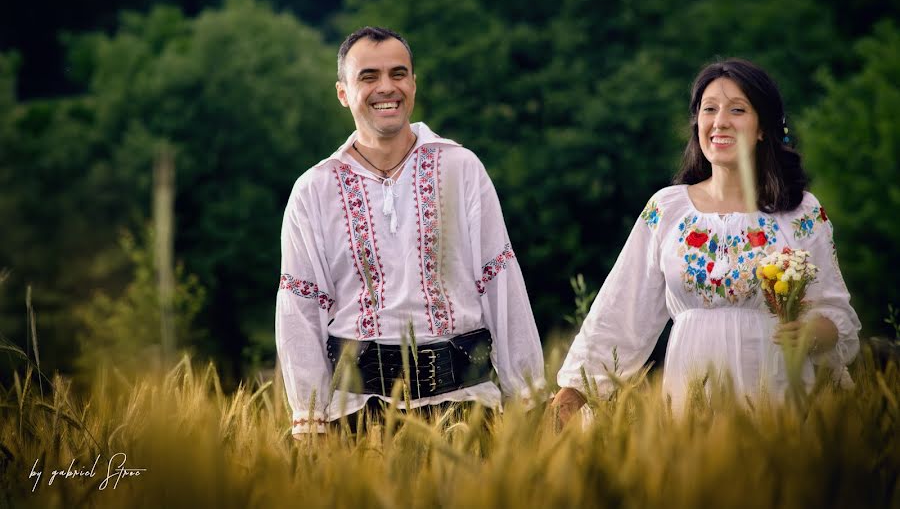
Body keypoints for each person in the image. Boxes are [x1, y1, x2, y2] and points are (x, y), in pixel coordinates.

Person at [552, 58, 861, 425]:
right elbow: (622, 309)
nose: (720, 122)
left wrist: (813, 333)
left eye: (738, 110)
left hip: (782, 401)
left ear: (763, 127)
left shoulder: (799, 213)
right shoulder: (667, 210)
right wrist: (574, 390)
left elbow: (835, 313)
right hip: (691, 401)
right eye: (709, 109)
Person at [276, 26, 545, 436]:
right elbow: (300, 311)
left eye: (398, 74)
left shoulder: (461, 167)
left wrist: (526, 399)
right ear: (343, 93)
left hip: (467, 406)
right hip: (357, 416)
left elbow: (500, 282)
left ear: (413, 85)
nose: (387, 87)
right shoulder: (314, 189)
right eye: (368, 76)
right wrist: (310, 423)